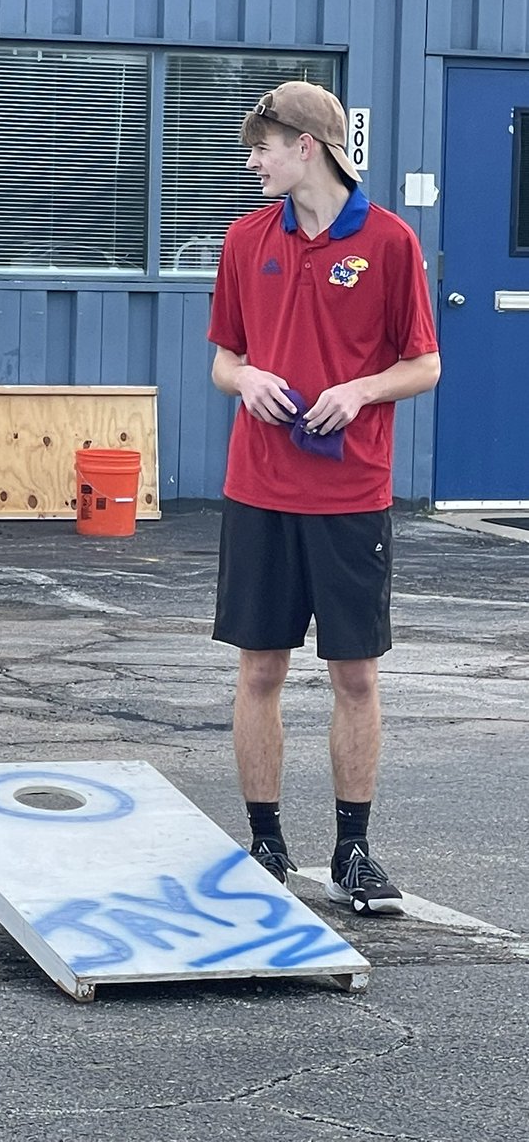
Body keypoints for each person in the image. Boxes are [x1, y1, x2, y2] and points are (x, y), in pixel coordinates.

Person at [208, 82, 441, 915]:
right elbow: (223, 359)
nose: (250, 161)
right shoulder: (246, 240)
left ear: (306, 145)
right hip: (259, 490)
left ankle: (354, 850)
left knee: (354, 676)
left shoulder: (388, 241)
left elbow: (425, 363)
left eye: (260, 147)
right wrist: (248, 379)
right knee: (259, 667)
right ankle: (264, 843)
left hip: (350, 496)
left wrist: (363, 391)